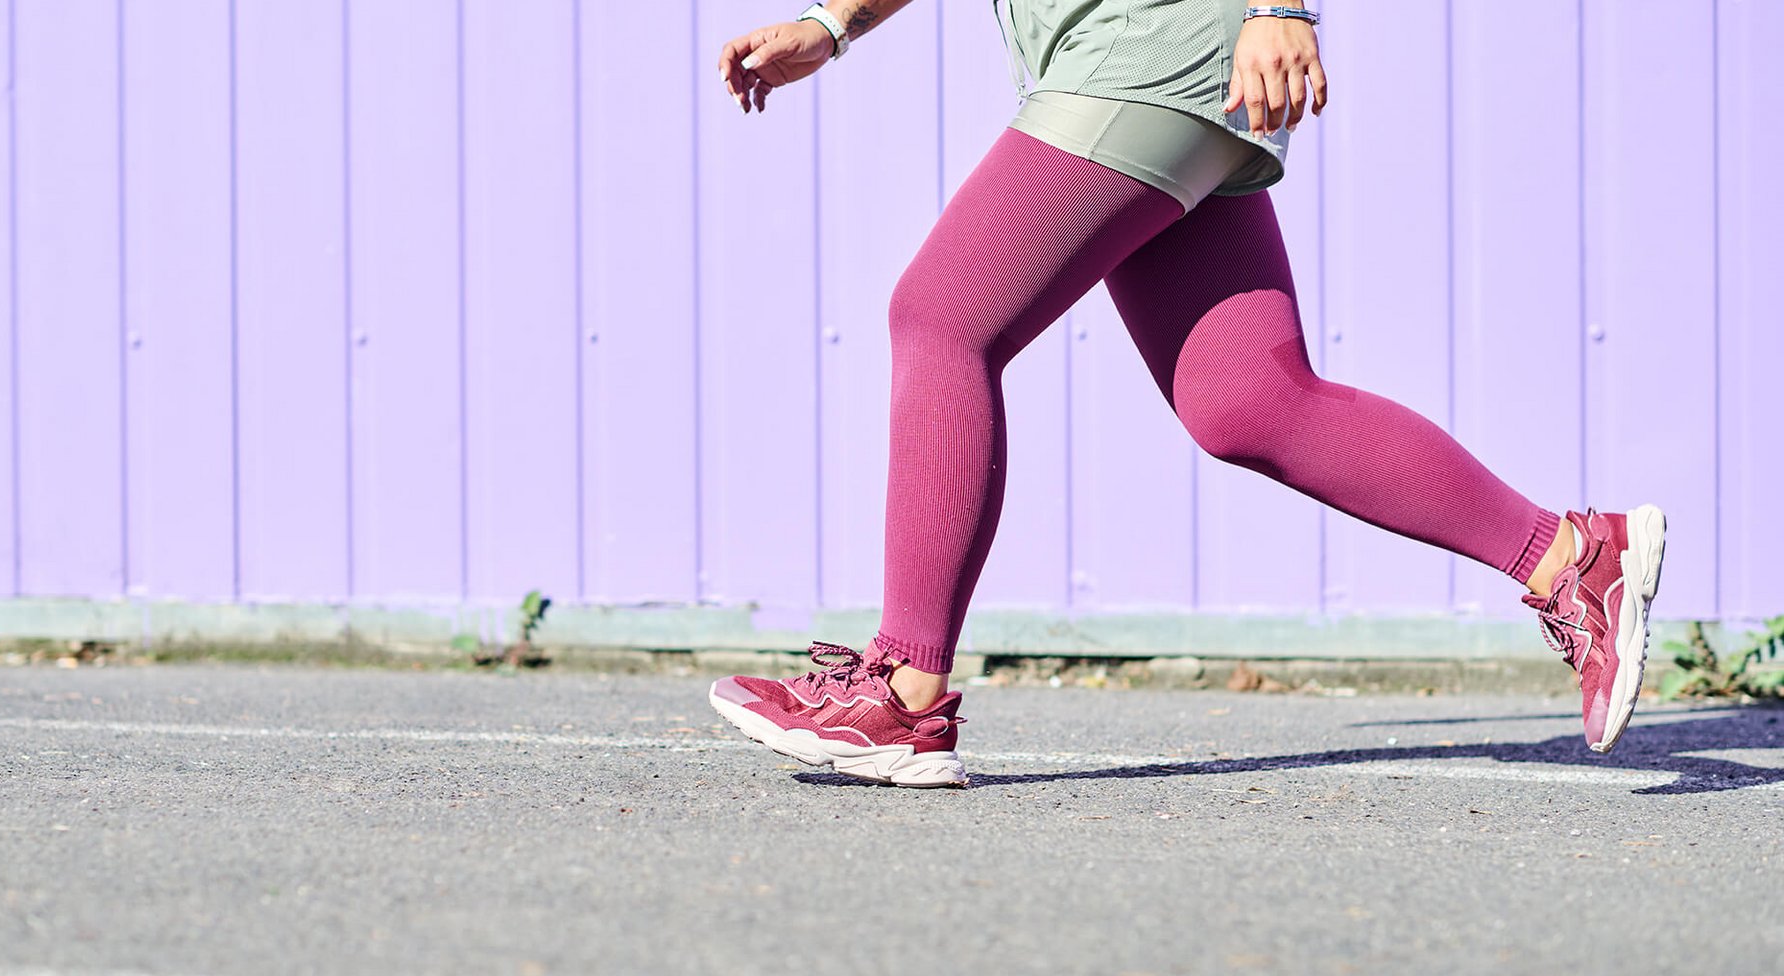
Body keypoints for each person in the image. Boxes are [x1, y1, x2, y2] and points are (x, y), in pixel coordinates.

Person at [705, 0, 1666, 788]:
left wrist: (1278, 7)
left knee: (941, 317)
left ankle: (903, 693)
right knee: (1248, 401)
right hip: (1137, 56)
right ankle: (1571, 559)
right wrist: (831, 24)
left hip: (1152, 44)